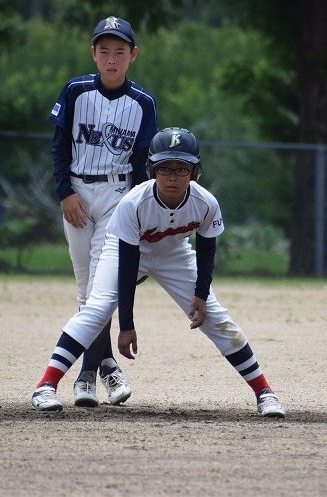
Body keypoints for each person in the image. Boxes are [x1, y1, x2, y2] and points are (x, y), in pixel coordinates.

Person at [31, 127, 286, 417]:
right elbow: (128, 265)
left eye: (182, 168)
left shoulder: (205, 203)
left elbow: (206, 251)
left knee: (217, 319)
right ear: (151, 170)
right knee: (97, 308)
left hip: (174, 253)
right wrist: (126, 325)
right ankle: (45, 386)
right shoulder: (134, 203)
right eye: (164, 168)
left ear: (195, 172)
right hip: (126, 250)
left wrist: (201, 294)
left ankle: (265, 393)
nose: (172, 176)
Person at [48, 15, 158, 407]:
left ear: (133, 55)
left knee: (101, 289)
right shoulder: (75, 90)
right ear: (93, 53)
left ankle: (85, 378)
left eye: (120, 51)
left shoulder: (143, 102)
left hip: (117, 196)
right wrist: (65, 192)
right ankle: (108, 364)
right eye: (105, 50)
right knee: (87, 290)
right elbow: (59, 145)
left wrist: (139, 212)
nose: (112, 59)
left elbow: (144, 163)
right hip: (77, 194)